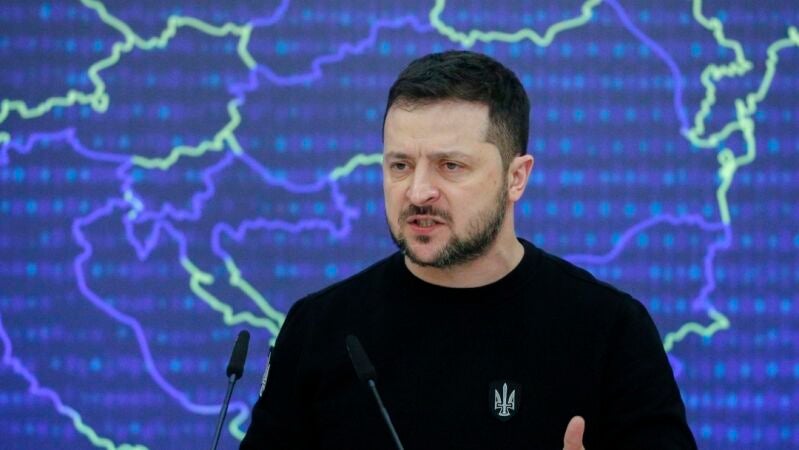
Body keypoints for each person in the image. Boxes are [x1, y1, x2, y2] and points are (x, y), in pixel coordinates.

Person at [241, 50, 697, 450]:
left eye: (450, 166)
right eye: (400, 165)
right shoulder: (319, 328)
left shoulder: (610, 331)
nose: (418, 191)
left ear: (516, 177)